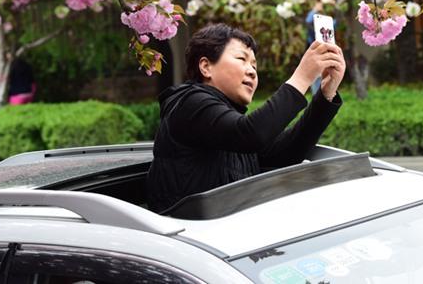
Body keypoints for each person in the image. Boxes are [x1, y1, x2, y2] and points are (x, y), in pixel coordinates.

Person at [147, 23, 346, 214]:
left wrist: (326, 95)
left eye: (254, 65)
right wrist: (302, 77)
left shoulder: (231, 123)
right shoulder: (189, 103)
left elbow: (287, 153)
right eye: (241, 59)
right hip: (189, 242)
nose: (251, 70)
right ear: (206, 67)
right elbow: (251, 133)